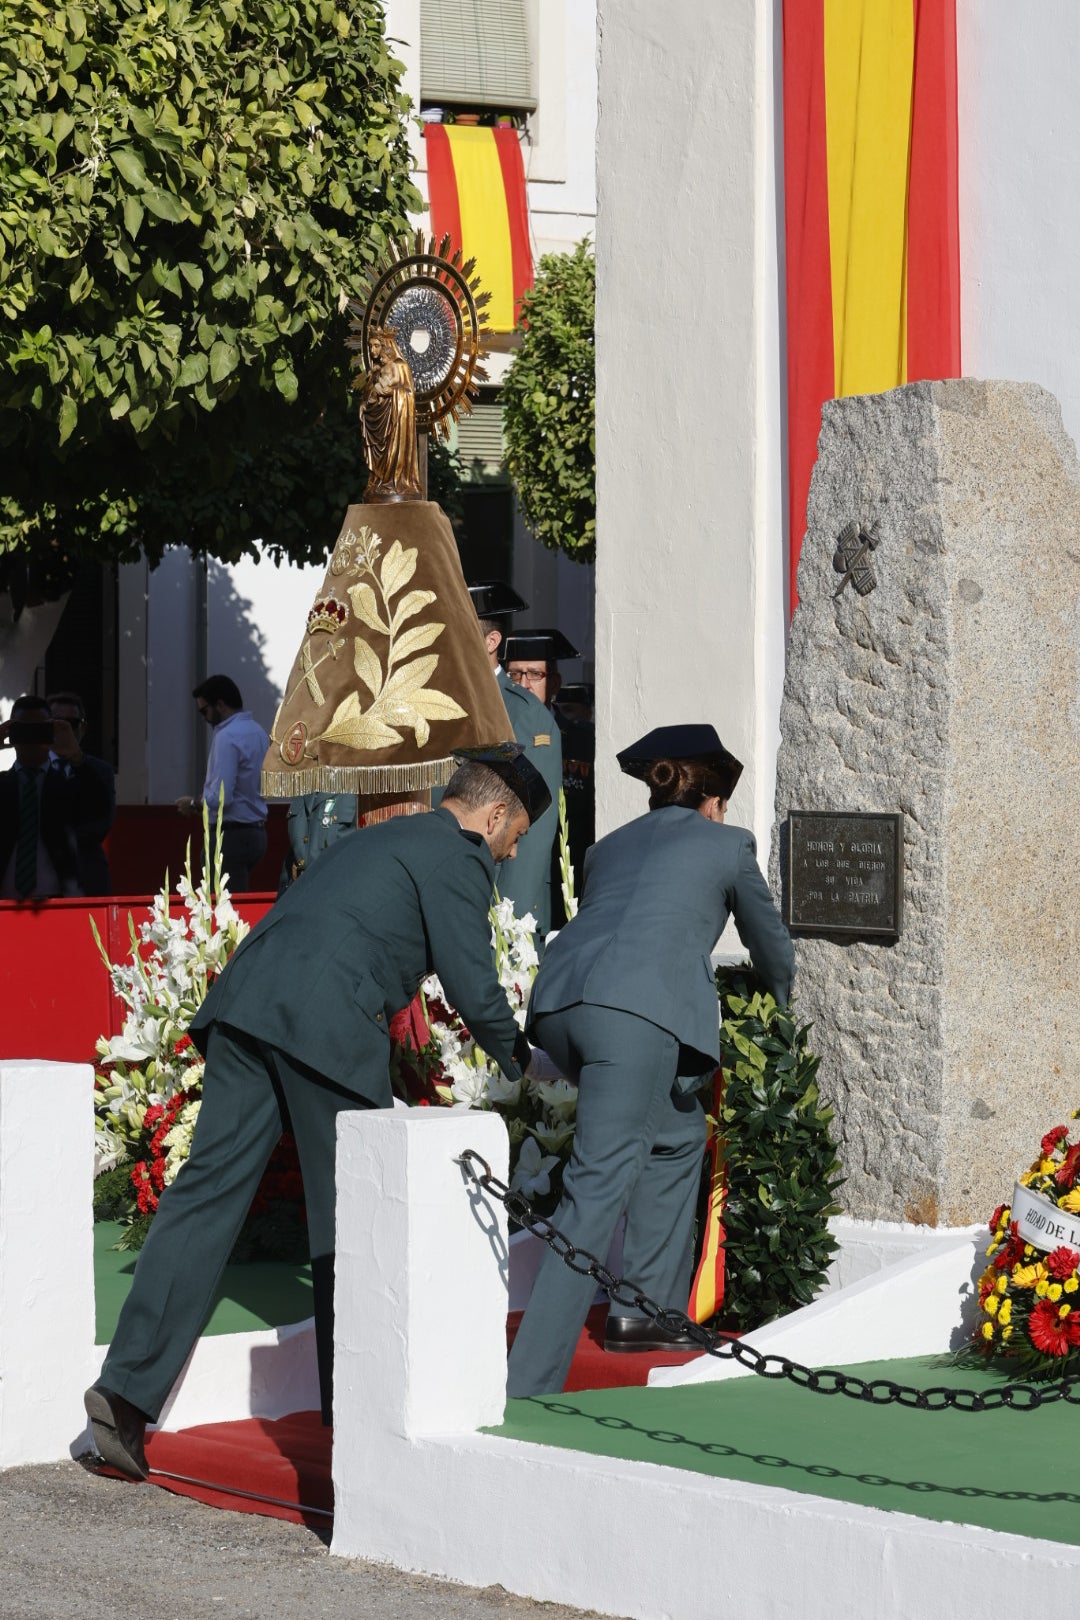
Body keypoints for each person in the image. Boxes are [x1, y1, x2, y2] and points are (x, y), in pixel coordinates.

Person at [84, 748, 551, 1480]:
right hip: (328, 1028)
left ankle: (126, 1394)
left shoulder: (373, 838)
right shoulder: (459, 855)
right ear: (493, 816)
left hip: (249, 1005)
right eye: (516, 833)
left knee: (204, 1199)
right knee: (351, 1222)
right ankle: (354, 1427)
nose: (514, 848)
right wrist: (524, 1058)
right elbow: (470, 979)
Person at [505, 724, 796, 1399]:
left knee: (674, 1134)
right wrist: (779, 998)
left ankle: (646, 1312)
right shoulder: (727, 845)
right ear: (714, 801)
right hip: (634, 1019)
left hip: (562, 1006)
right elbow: (770, 942)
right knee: (595, 1189)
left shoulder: (609, 848)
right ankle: (527, 1381)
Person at [468, 584, 563, 944]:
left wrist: (509, 922)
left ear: (491, 642)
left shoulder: (527, 716)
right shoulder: (435, 705)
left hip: (499, 903)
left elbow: (534, 825)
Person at [0, 695, 113, 899]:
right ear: (11, 733)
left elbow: (99, 816)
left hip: (65, 902)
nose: (32, 739)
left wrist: (76, 756)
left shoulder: (71, 783)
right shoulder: (3, 786)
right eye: (24, 730)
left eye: (40, 730)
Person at [177, 676, 270, 892]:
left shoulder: (227, 737)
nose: (204, 718)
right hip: (256, 833)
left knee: (225, 911)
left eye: (204, 711)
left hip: (230, 835)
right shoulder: (258, 732)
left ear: (220, 705)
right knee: (234, 905)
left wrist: (194, 804)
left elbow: (222, 797)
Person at [47, 691, 116, 895]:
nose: (64, 730)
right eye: (56, 723)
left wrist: (77, 760)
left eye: (71, 724)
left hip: (85, 875)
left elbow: (100, 823)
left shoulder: (100, 771)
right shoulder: (31, 769)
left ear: (83, 728)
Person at [280, 792, 358, 890]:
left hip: (337, 890)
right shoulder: (302, 793)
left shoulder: (355, 792)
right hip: (300, 891)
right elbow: (294, 856)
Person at [503, 627, 579, 711]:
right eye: (514, 674)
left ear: (555, 684)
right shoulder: (495, 723)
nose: (523, 685)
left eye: (535, 674)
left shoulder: (563, 724)